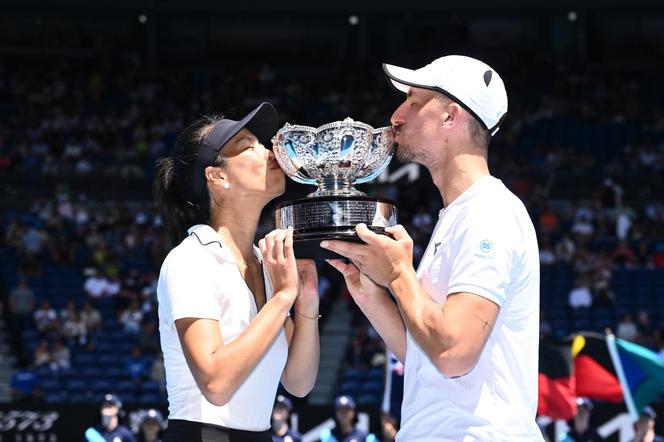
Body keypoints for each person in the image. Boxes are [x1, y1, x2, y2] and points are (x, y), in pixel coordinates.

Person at [322, 55, 542, 440]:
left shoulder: (488, 212)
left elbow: (454, 353)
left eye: (414, 102)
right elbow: (426, 358)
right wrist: (372, 295)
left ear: (450, 117)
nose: (396, 115)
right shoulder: (461, 214)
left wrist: (399, 275)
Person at [154, 102, 320, 442]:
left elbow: (299, 382)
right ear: (217, 177)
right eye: (248, 145)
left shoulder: (264, 262)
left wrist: (306, 305)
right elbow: (215, 383)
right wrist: (283, 297)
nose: (269, 150)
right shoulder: (190, 259)